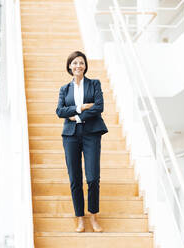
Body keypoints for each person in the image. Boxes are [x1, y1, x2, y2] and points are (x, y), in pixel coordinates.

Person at [56, 51, 108, 232]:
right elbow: (60, 111)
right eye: (75, 63)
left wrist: (77, 117)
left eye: (81, 63)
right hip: (70, 136)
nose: (78, 66)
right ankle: (80, 218)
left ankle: (93, 216)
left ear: (85, 66)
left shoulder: (94, 84)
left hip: (91, 133)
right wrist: (80, 107)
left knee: (93, 178)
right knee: (75, 178)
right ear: (69, 66)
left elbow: (99, 107)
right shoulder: (64, 89)